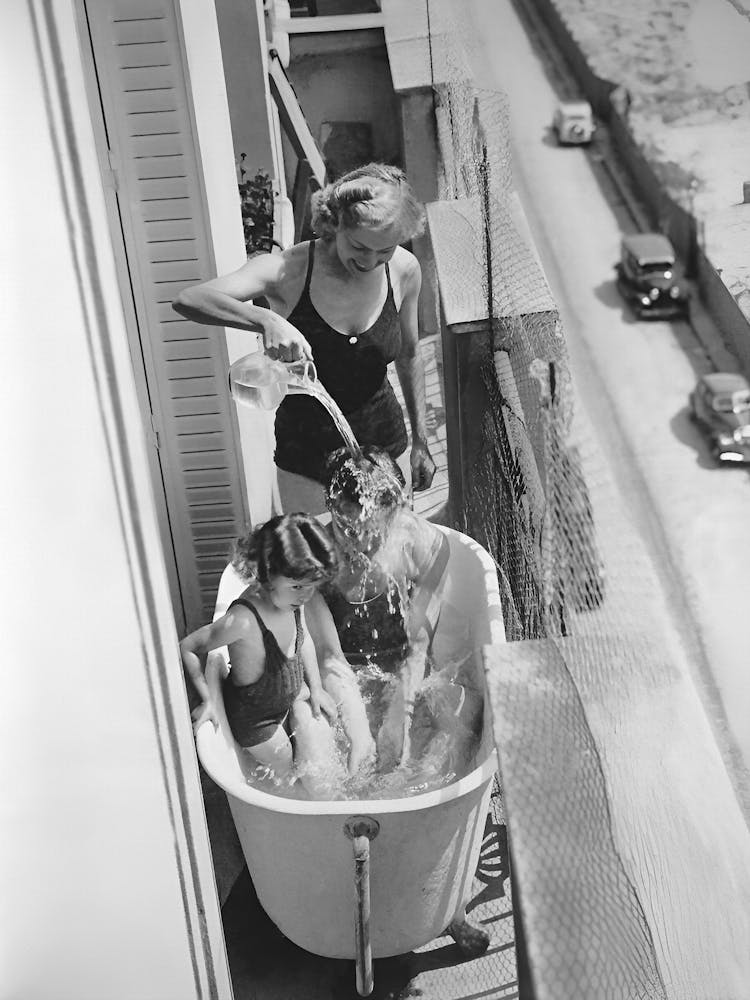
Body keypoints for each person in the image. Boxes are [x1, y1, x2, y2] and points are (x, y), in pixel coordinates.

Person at [172, 162, 436, 514]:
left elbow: (410, 354)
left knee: (396, 560)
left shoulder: (404, 270)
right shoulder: (288, 271)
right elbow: (189, 300)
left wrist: (420, 440)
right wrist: (263, 318)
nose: (371, 260)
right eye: (359, 246)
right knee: (322, 565)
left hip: (383, 443)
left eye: (384, 250)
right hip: (307, 456)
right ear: (335, 222)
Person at [309, 446, 482, 770]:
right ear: (330, 507)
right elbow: (327, 656)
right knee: (320, 743)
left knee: (462, 718)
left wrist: (400, 711)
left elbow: (419, 644)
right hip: (343, 674)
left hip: (406, 663)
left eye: (376, 531)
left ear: (397, 510)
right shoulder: (315, 555)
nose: (362, 543)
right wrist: (359, 728)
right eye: (349, 529)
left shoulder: (423, 543)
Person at [180, 513, 366, 797]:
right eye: (298, 586)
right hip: (258, 723)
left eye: (312, 587)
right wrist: (207, 700)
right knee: (287, 774)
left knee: (324, 764)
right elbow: (189, 646)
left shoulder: (290, 599)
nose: (306, 596)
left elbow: (302, 639)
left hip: (286, 696)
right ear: (267, 574)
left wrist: (315, 687)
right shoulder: (244, 620)